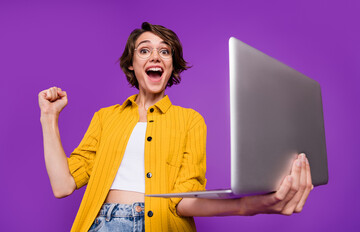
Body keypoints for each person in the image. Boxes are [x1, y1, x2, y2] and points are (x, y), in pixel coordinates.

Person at [38, 22, 313, 232]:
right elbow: (63, 185)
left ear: (171, 65)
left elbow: (182, 200)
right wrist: (49, 118)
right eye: (144, 50)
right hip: (104, 224)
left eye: (164, 51)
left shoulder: (190, 121)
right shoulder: (105, 118)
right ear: (132, 65)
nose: (155, 56)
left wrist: (251, 206)